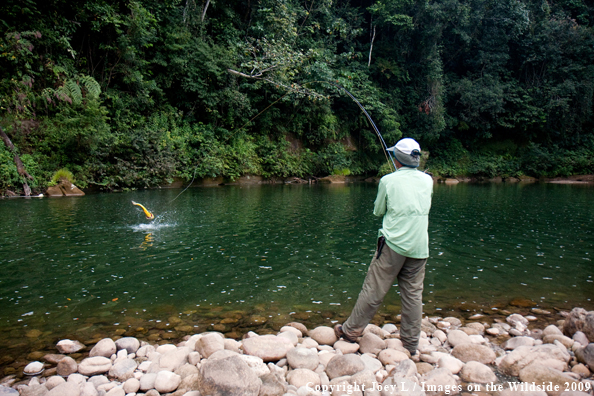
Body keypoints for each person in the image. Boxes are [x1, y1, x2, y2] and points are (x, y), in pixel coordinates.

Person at [334, 137, 433, 356]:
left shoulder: (388, 181)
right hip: (419, 246)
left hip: (393, 245)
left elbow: (378, 211)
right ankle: (410, 344)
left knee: (374, 288)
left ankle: (350, 331)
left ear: (398, 159)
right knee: (413, 295)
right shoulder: (428, 180)